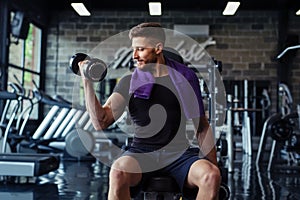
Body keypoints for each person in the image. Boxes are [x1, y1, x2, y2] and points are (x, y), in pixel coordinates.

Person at [79, 22, 221, 200]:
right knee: (118, 172)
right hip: (141, 152)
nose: (134, 55)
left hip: (179, 153)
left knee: (211, 176)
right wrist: (87, 83)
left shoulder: (185, 78)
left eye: (140, 49)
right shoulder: (128, 81)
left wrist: (216, 169)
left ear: (158, 48)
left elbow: (201, 127)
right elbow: (101, 121)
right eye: (133, 49)